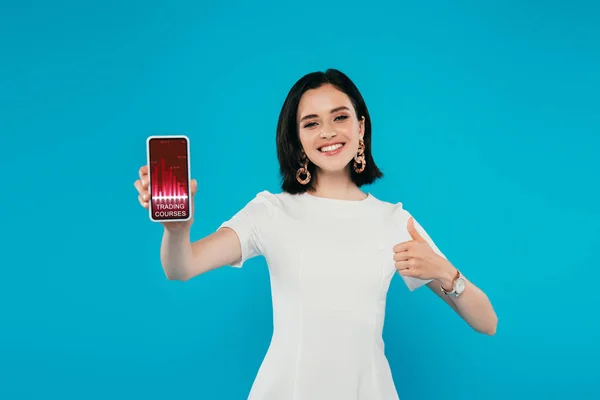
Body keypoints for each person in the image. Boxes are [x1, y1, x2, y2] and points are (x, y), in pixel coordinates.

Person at [133, 69, 498, 400]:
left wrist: (445, 271)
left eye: (340, 117)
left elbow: (487, 322)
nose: (327, 131)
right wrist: (176, 229)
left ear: (361, 127)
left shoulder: (393, 221)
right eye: (311, 123)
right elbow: (181, 267)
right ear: (298, 139)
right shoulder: (271, 211)